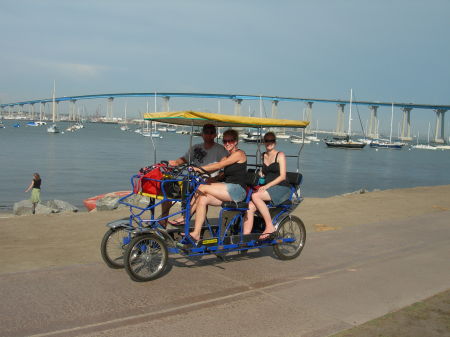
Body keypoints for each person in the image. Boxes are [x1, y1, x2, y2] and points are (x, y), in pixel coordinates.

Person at [189, 129, 247, 243]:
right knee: (202, 198)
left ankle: (185, 217)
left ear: (235, 141)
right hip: (227, 187)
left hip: (238, 190)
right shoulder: (228, 155)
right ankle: (196, 233)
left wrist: (199, 169)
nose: (227, 143)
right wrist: (211, 179)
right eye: (225, 141)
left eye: (230, 141)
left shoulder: (239, 154)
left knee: (202, 188)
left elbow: (220, 165)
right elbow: (222, 173)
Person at [163, 124, 228, 225]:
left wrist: (215, 178)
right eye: (206, 132)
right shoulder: (196, 147)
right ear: (202, 134)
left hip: (209, 180)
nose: (208, 135)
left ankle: (187, 216)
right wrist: (175, 163)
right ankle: (163, 221)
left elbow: (225, 168)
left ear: (215, 135)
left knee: (195, 188)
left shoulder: (220, 150)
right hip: (193, 177)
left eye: (211, 133)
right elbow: (185, 159)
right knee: (167, 186)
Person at [243, 132, 291, 239]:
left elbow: (282, 176)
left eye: (272, 140)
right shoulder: (263, 155)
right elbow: (266, 172)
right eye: (267, 141)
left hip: (282, 188)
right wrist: (260, 175)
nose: (269, 143)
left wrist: (267, 186)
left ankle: (269, 226)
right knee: (249, 206)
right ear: (264, 142)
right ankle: (245, 238)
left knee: (255, 196)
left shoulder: (280, 155)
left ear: (275, 142)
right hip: (268, 188)